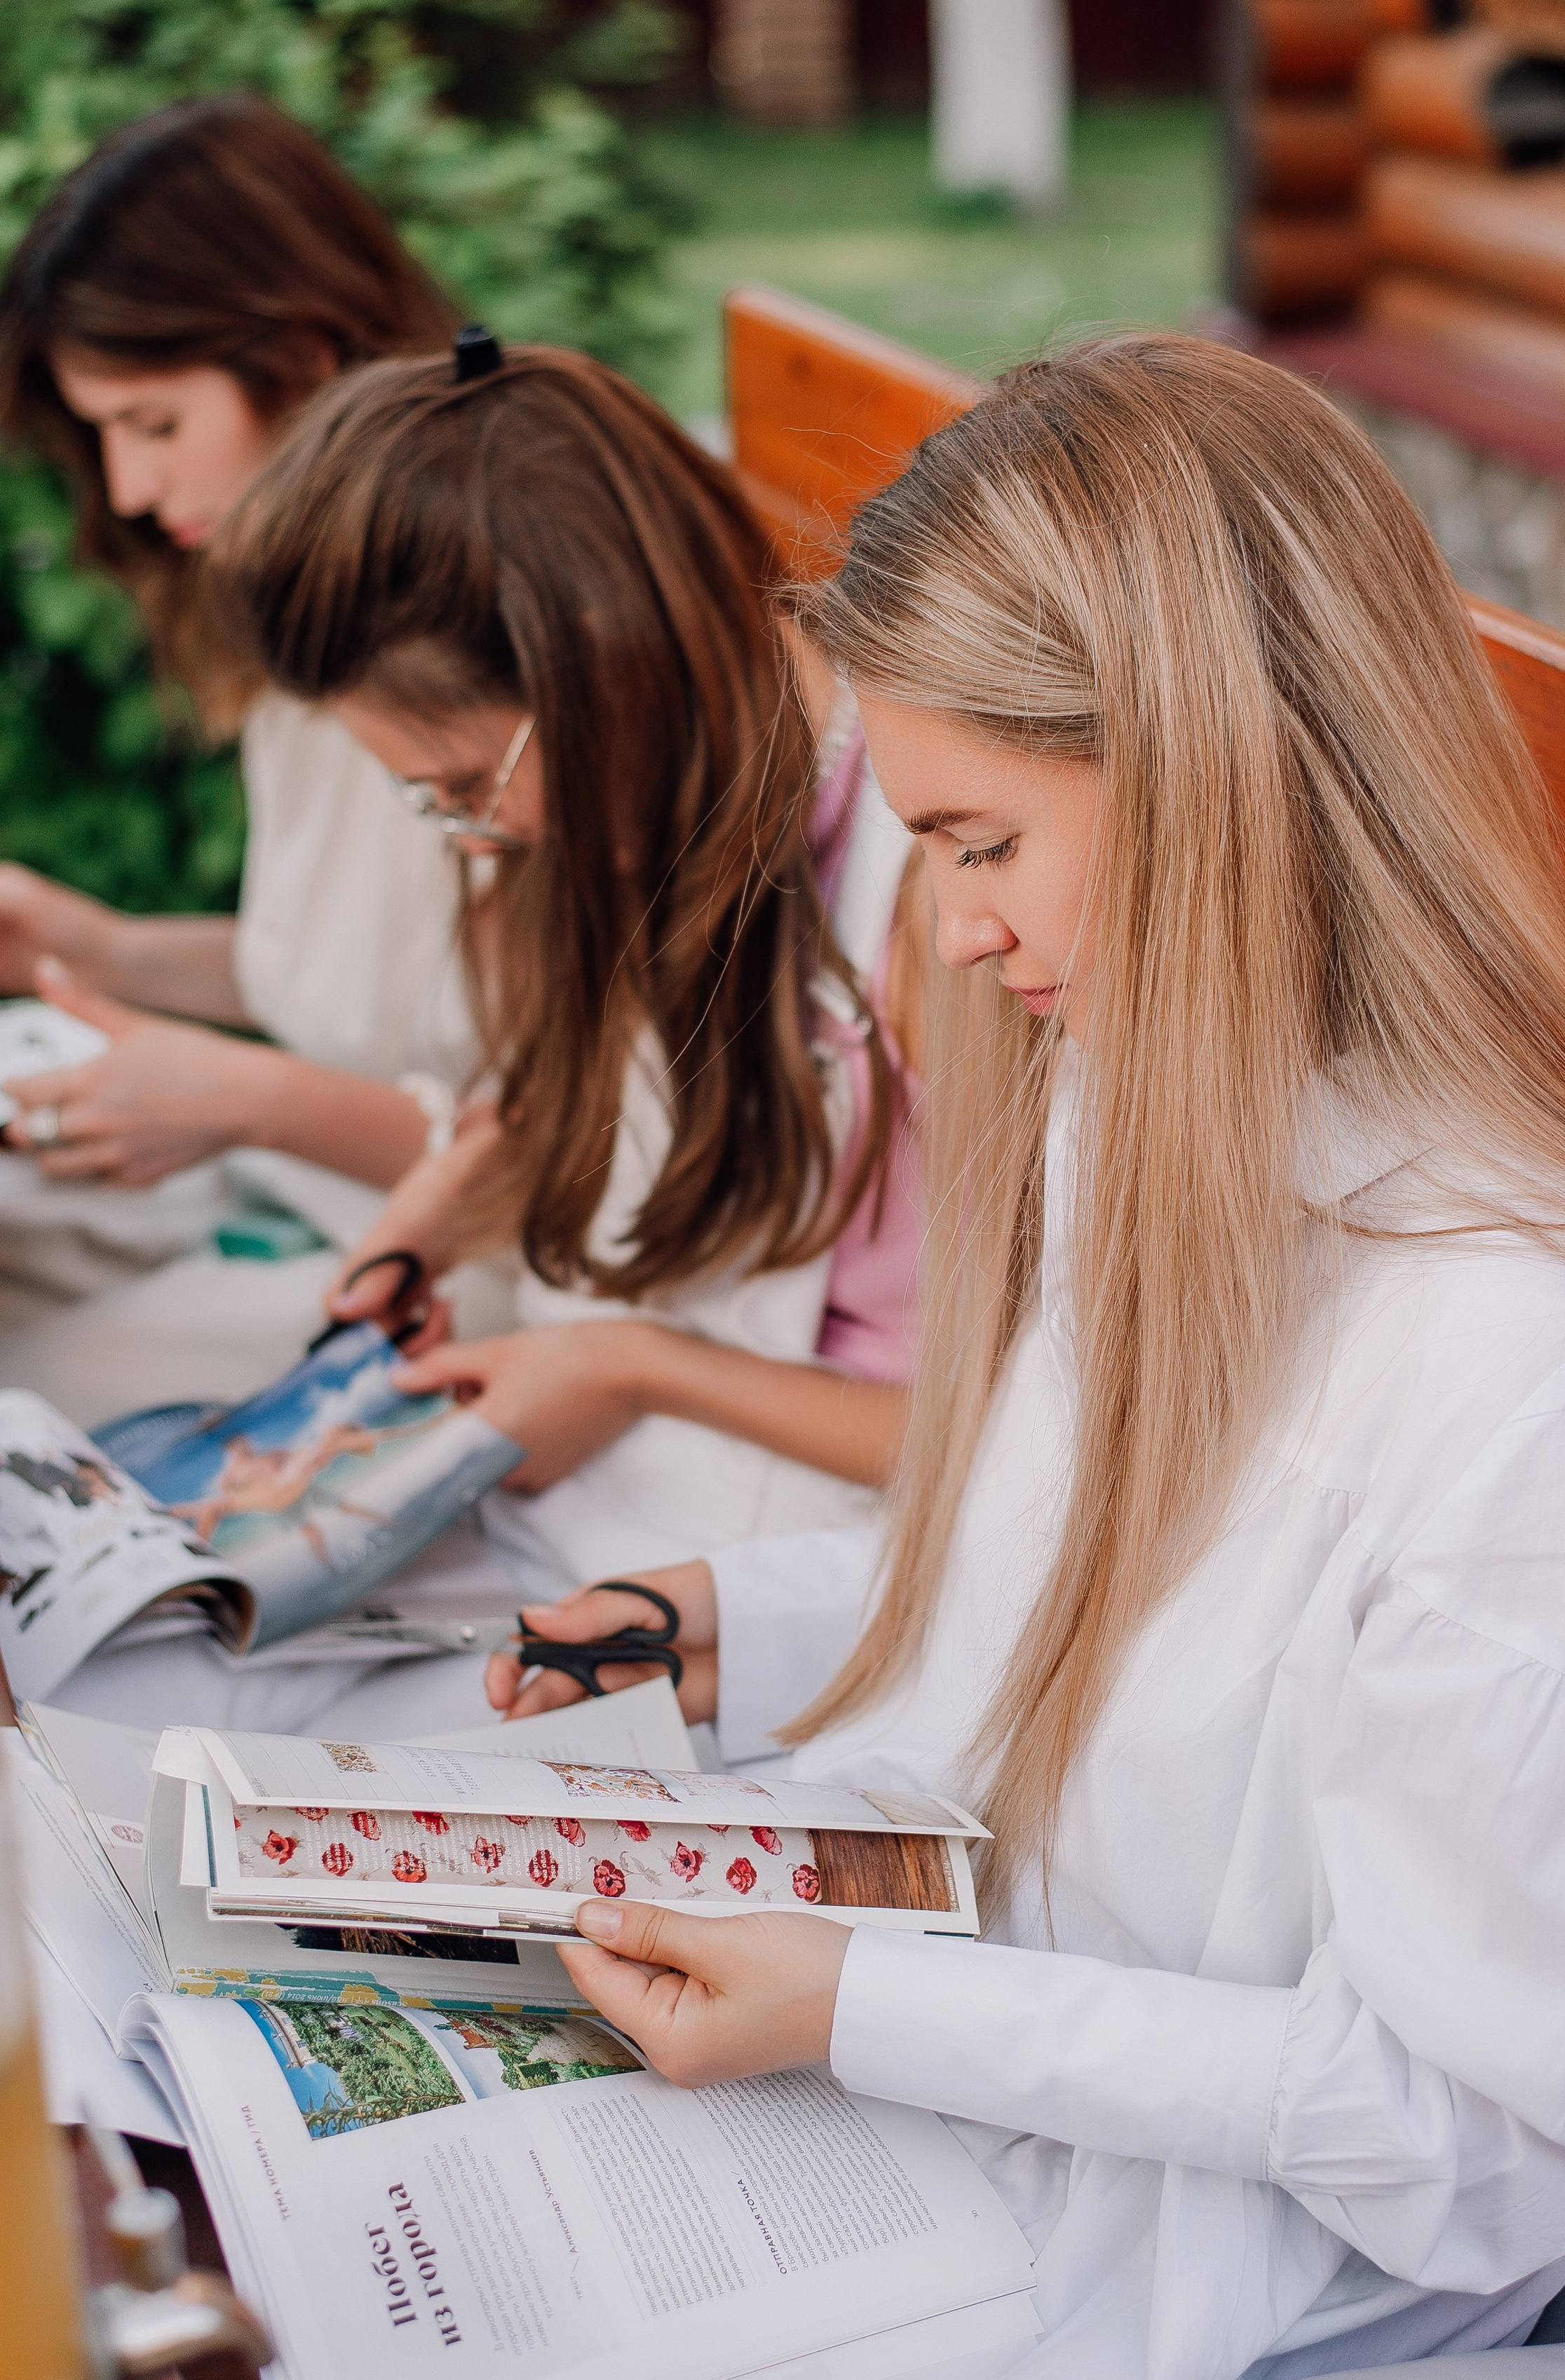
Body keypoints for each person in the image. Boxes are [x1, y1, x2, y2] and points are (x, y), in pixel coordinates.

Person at [477, 334, 1565, 2380]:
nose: (960, 939)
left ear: (1219, 784)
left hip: (1202, 2291)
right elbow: (1097, 1591)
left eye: (984, 842)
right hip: (971, 2116)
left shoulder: (1562, 1385)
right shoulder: (1142, 1118)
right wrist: (755, 1612)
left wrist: (879, 2005)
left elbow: (1481, 2137)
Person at [50, 340, 921, 1736]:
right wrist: (448, 1205)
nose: (485, 838)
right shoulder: (666, 803)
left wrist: (633, 1367)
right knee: (96, 1680)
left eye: (466, 787)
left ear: (600, 671)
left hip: (806, 1584)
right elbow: (620, 1107)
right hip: (619, 1514)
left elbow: (1044, 1457)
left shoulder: (938, 900)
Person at [0, 93, 475, 1416]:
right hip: (299, 1200)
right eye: (105, 436)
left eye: (154, 424)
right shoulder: (313, 609)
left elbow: (568, 1150)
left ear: (307, 356)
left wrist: (245, 1099)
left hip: (442, 1274)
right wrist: (90, 948)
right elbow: (371, 979)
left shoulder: (466, 664)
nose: (134, 492)